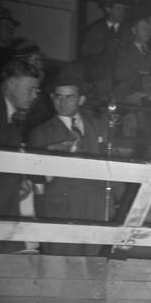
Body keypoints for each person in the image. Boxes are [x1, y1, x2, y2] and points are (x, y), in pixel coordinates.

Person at [26, 69, 122, 255]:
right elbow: (33, 174)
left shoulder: (99, 127)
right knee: (61, 270)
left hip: (97, 210)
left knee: (96, 271)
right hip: (60, 212)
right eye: (58, 97)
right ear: (52, 98)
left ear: (81, 100)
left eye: (69, 97)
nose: (63, 102)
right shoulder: (40, 133)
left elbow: (114, 167)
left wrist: (123, 203)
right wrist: (51, 155)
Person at [0, 59, 44, 252]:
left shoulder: (13, 113)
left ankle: (16, 245)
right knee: (9, 181)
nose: (35, 96)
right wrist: (16, 179)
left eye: (37, 90)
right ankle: (5, 246)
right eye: (30, 89)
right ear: (11, 84)